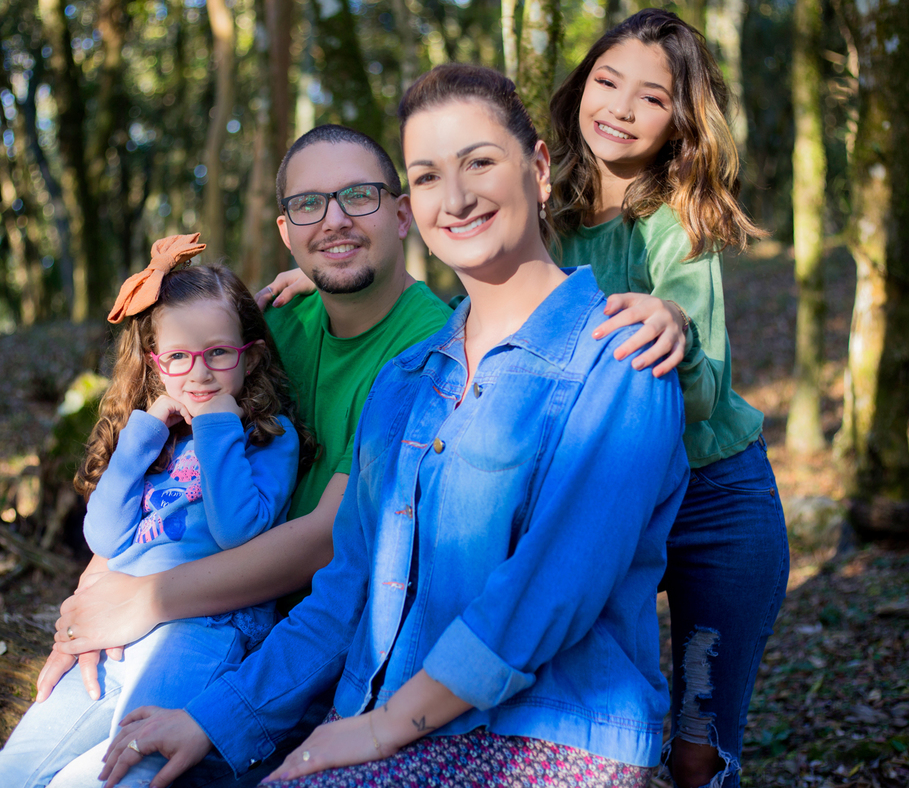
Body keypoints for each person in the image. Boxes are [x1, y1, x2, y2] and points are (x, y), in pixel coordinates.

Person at [93, 63, 689, 788]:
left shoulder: (620, 356)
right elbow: (347, 590)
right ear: (413, 205)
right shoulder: (407, 381)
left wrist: (378, 730)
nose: (459, 196)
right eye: (431, 176)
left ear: (537, 170)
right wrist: (217, 717)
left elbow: (545, 595)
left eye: (480, 162)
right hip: (376, 719)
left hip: (547, 735)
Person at [37, 126, 452, 784]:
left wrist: (145, 598)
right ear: (286, 230)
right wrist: (93, 597)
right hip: (203, 608)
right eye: (311, 204)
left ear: (403, 215)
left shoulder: (431, 349)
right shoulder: (276, 324)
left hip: (320, 649)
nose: (335, 219)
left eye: (359, 196)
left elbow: (328, 541)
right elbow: (171, 462)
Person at [548, 9, 789, 788]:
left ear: (680, 122)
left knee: (694, 745)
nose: (619, 107)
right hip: (604, 496)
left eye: (650, 98)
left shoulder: (675, 221)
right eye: (606, 81)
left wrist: (674, 325)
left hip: (717, 499)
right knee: (592, 726)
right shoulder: (540, 214)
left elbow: (702, 391)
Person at [0, 236, 303, 788]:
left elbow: (237, 533)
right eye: (178, 357)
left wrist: (217, 425)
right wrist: (143, 435)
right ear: (155, 366)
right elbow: (104, 535)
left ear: (250, 357)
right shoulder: (153, 440)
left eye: (219, 354)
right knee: (11, 772)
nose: (199, 374)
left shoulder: (267, 439)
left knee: (121, 770)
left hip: (202, 629)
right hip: (114, 633)